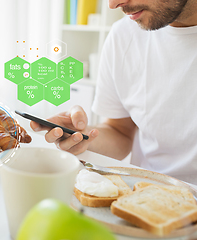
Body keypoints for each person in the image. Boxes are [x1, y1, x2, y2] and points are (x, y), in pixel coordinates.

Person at [31, 0, 197, 183]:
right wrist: (83, 137)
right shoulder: (124, 36)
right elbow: (120, 132)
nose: (113, 4)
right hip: (144, 193)